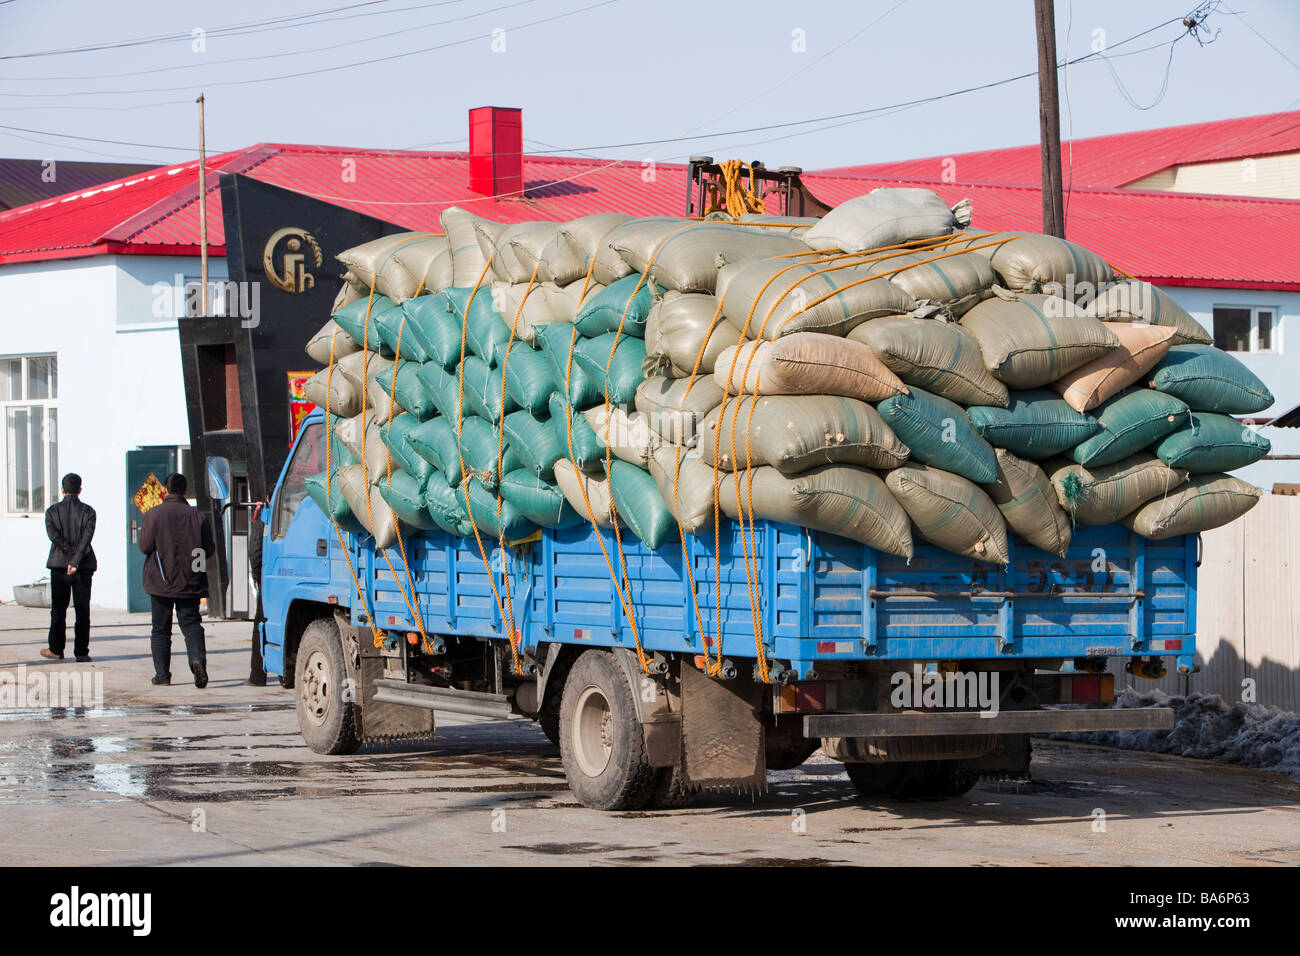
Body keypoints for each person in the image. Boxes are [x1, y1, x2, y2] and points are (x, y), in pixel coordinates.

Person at [139, 472, 216, 688]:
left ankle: (162, 676)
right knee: (191, 624)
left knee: (161, 629)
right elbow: (208, 549)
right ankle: (197, 660)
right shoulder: (198, 517)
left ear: (165, 489)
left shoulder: (153, 515)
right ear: (185, 491)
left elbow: (145, 547)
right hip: (190, 581)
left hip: (160, 582)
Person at [42, 473, 97, 662]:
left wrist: (69, 555)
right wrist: (76, 558)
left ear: (62, 490)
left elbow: (53, 536)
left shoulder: (51, 511)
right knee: (82, 610)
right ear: (80, 490)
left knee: (58, 609)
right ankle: (81, 652)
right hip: (83, 565)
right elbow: (87, 538)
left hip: (59, 565)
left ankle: (56, 649)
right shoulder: (89, 512)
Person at [246, 497, 269, 686]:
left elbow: (256, 550)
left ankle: (257, 676)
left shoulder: (265, 515)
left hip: (269, 577)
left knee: (260, 625)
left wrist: (257, 577)